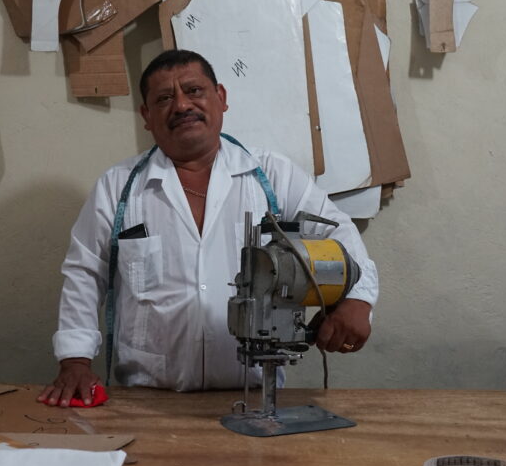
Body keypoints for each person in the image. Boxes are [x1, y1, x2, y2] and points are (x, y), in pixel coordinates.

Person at [38, 50, 378, 407]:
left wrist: (357, 299)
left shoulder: (273, 176)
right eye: (164, 98)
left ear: (221, 97)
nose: (182, 105)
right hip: (146, 400)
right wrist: (75, 361)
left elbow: (339, 233)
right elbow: (84, 272)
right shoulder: (118, 187)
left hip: (256, 398)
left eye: (194, 91)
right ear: (146, 116)